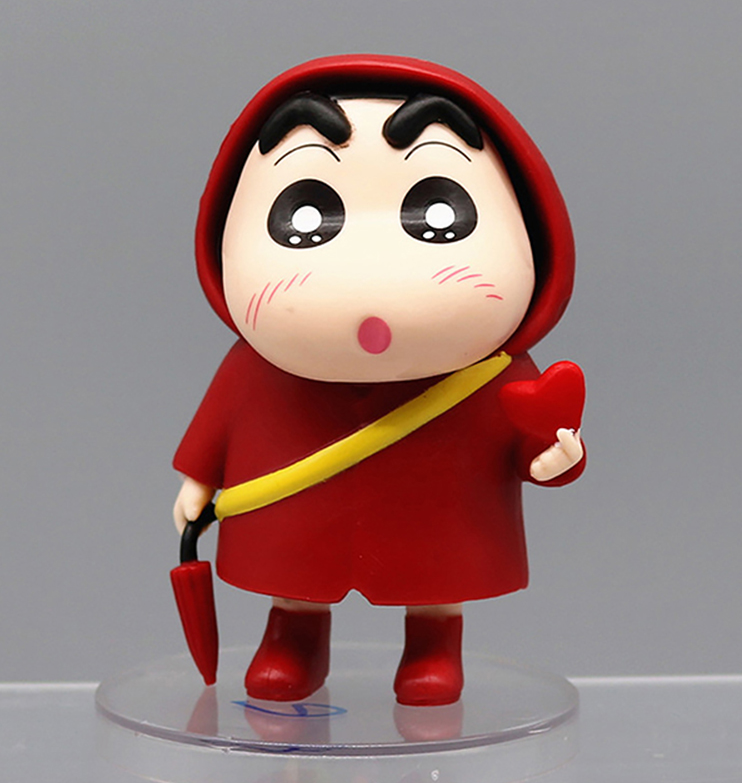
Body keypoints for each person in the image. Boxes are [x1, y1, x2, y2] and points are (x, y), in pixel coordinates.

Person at [173, 55, 586, 706]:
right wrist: (198, 480)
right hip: (301, 515)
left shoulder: (491, 373)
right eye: (306, 217)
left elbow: (532, 440)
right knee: (297, 576)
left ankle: (433, 649)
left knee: (435, 580)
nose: (370, 268)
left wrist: (556, 457)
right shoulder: (259, 368)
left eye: (439, 216)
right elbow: (221, 420)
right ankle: (292, 640)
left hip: (438, 511)